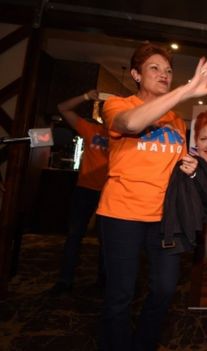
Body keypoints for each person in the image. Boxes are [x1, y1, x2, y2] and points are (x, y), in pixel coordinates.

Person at [97, 43, 207, 350]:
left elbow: (176, 169)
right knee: (120, 295)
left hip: (166, 218)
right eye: (155, 68)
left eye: (168, 70)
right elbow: (131, 124)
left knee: (166, 289)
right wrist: (186, 90)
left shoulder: (177, 121)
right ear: (136, 75)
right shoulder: (117, 104)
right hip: (121, 214)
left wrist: (190, 169)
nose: (164, 75)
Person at [47, 89, 108, 296]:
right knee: (74, 236)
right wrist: (85, 97)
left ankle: (103, 282)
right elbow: (62, 108)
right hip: (85, 190)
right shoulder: (92, 129)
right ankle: (65, 281)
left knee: (107, 241)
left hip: (110, 194)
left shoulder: (128, 135)